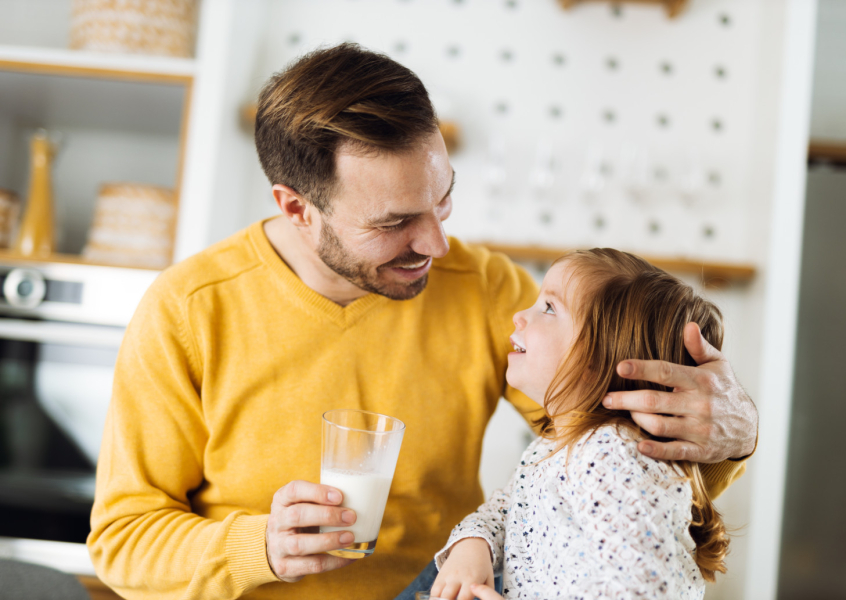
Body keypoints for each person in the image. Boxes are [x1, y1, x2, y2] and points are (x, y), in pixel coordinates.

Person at [87, 44, 757, 600]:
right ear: (297, 208)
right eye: (394, 223)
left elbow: (603, 451)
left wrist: (729, 436)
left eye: (443, 201)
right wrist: (255, 544)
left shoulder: (487, 289)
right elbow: (123, 541)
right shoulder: (189, 308)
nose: (436, 243)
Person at [429, 249, 730, 600]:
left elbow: (643, 591)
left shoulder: (612, 456)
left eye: (549, 308)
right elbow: (504, 511)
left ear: (602, 356)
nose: (519, 316)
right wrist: (473, 545)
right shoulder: (557, 446)